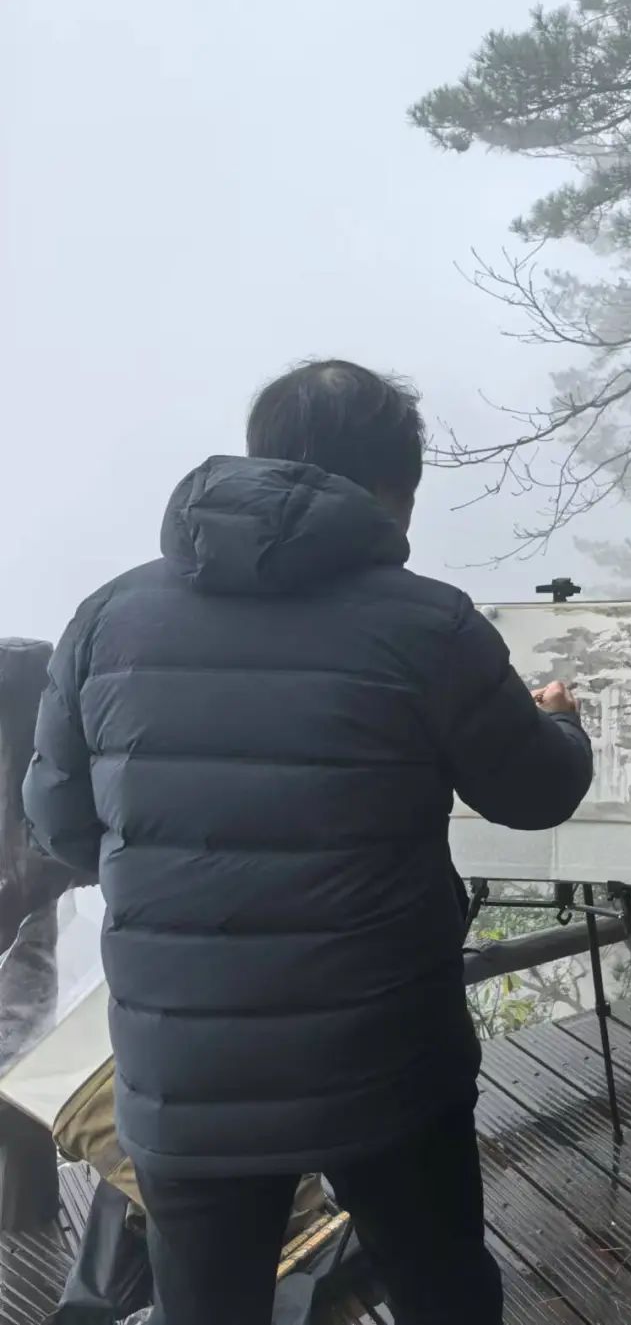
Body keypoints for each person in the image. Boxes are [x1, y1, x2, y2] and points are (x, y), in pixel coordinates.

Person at [23, 359, 593, 1325]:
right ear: (389, 489)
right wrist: (564, 724)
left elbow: (66, 826)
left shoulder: (107, 620)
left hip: (187, 1072)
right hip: (387, 1056)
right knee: (442, 1286)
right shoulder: (428, 623)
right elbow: (535, 791)